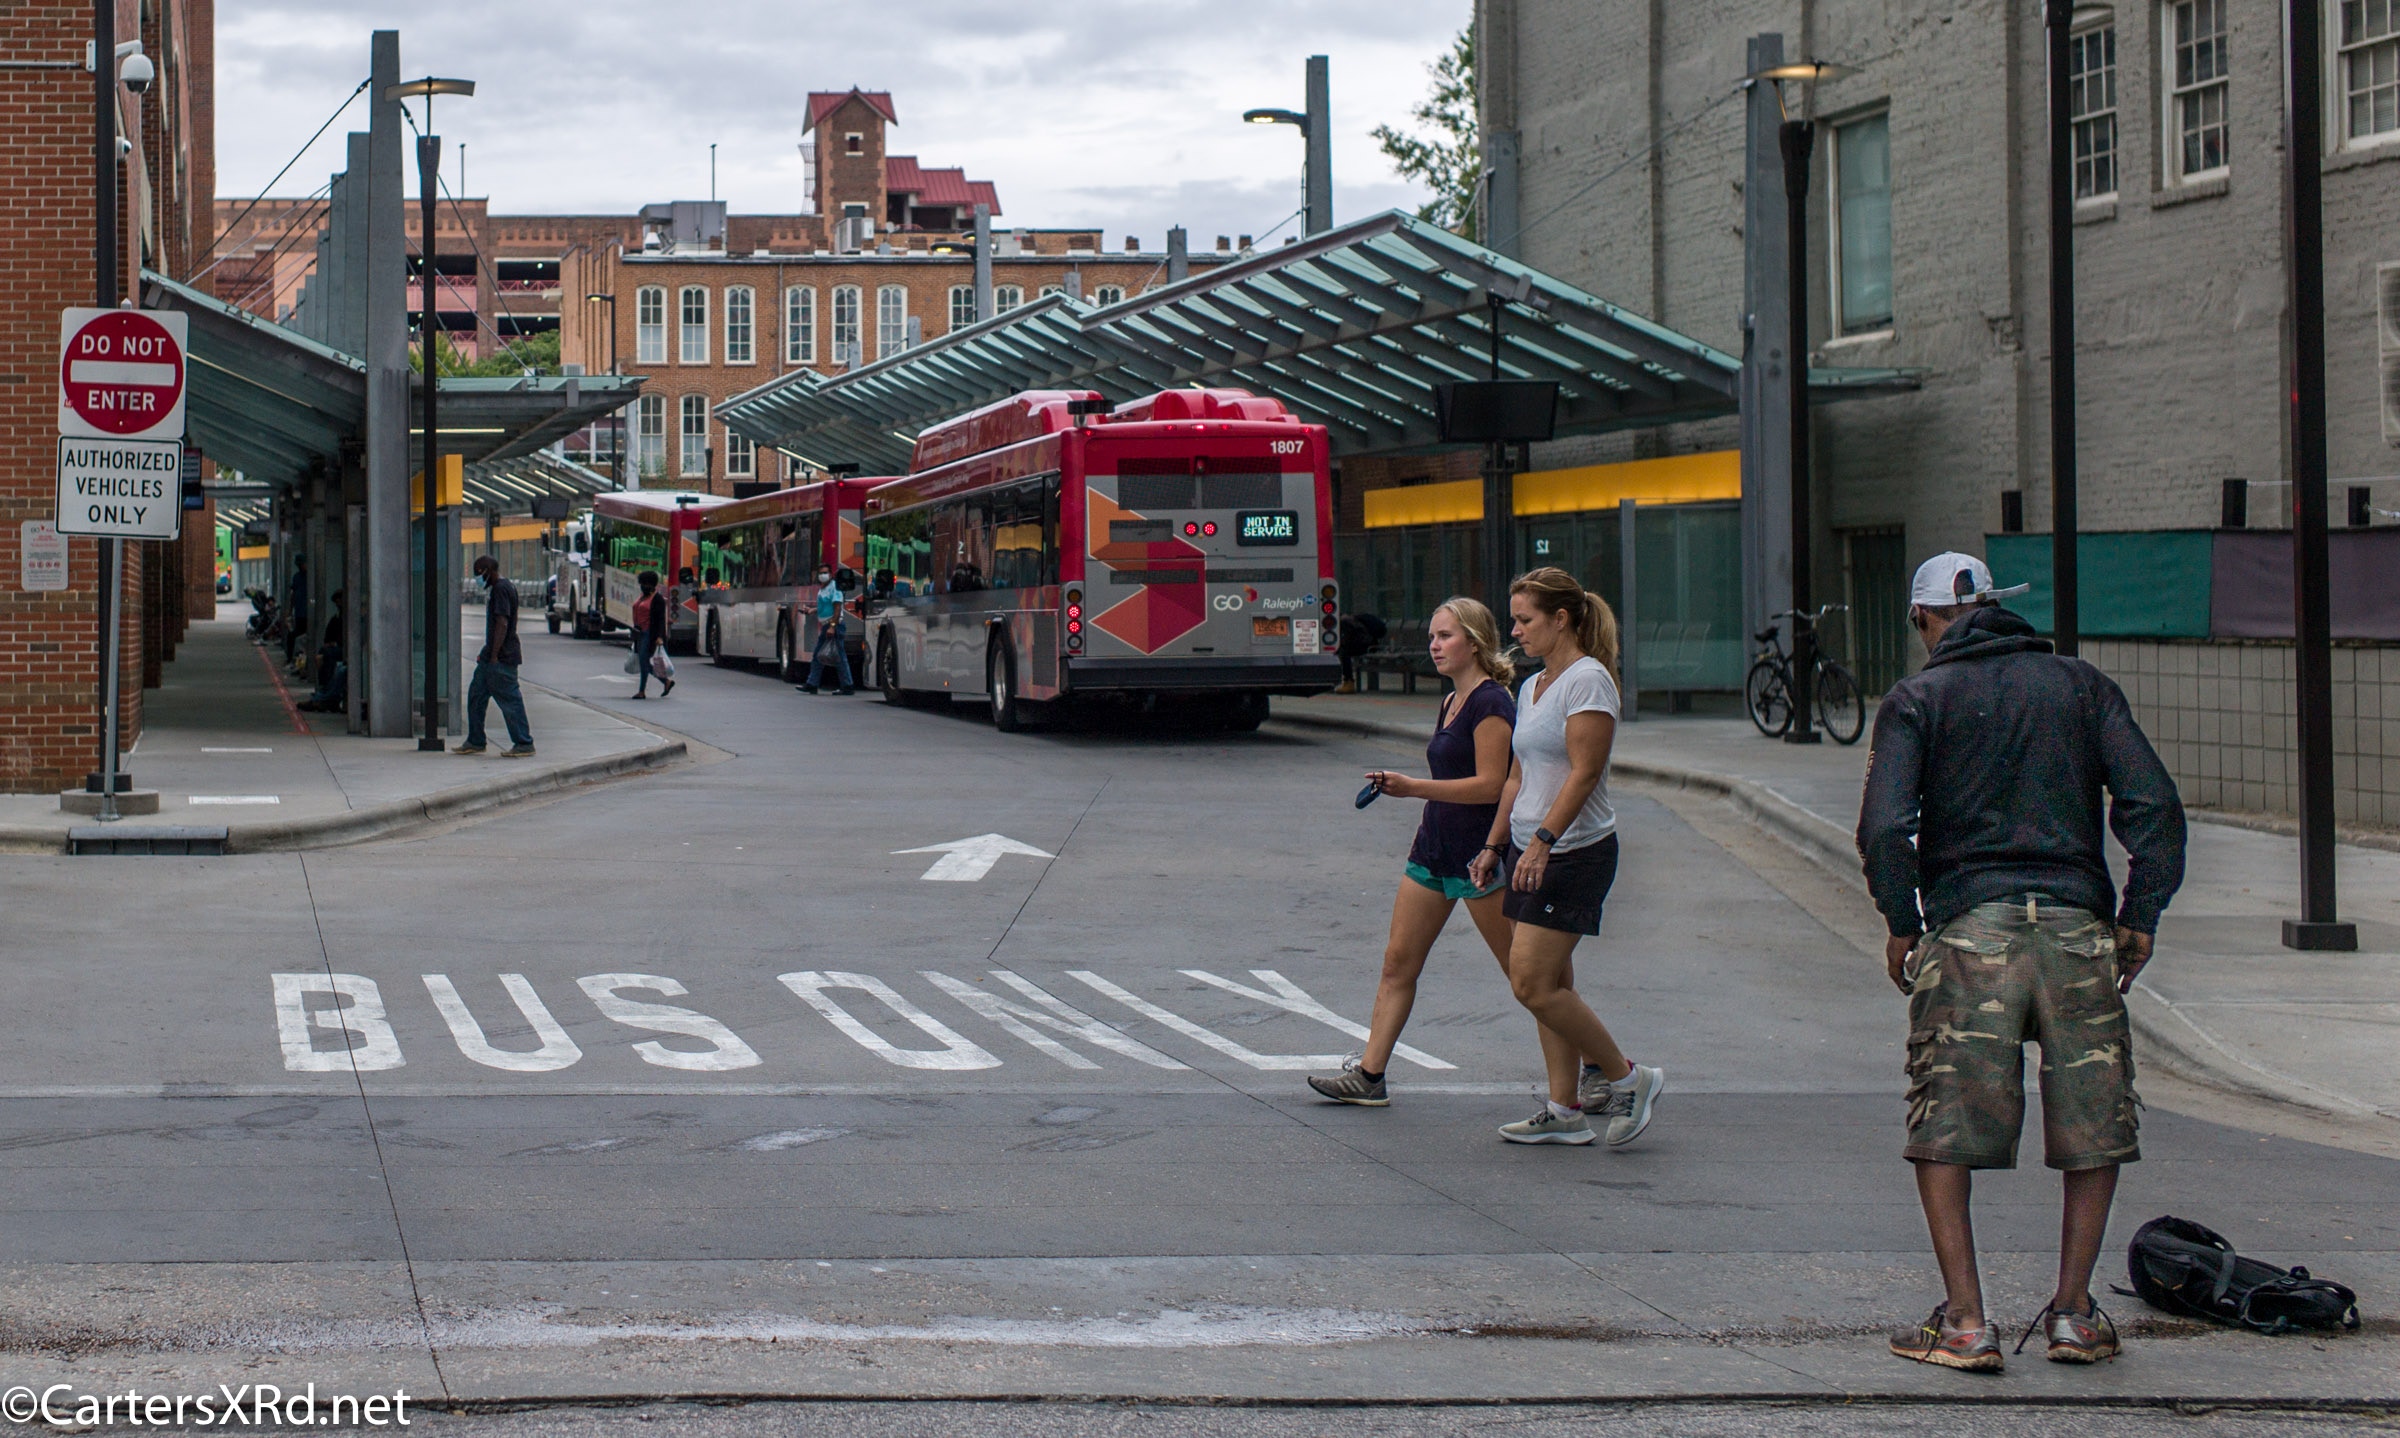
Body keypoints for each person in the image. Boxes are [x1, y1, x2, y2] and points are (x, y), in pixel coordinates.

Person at [1860, 552, 2185, 1373]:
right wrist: (2139, 915)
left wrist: (1903, 921)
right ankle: (2073, 1314)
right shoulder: (2081, 687)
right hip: (2077, 929)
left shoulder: (1918, 699)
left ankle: (1966, 1323)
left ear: (1924, 619)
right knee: (2093, 1120)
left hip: (1971, 928)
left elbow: (1885, 827)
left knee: (1944, 1122)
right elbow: (2153, 804)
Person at [1310, 598, 1567, 1106]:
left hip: (1480, 859)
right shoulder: (1451, 699)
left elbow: (1492, 784)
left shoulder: (1491, 703)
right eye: (1432, 636)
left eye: (1445, 636)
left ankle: (1598, 1070)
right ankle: (1369, 1075)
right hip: (1432, 851)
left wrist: (1413, 787)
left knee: (1531, 981)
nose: (1434, 645)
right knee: (1397, 964)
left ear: (1474, 641)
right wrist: (1416, 795)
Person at [1467, 567, 1663, 1147]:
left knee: (1530, 983)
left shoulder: (1588, 681)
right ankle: (1564, 1109)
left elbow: (1585, 773)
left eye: (1525, 620)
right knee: (1551, 984)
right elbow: (1517, 776)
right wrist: (1495, 844)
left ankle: (1629, 1078)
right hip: (1526, 849)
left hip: (1573, 852)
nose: (1515, 632)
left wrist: (1543, 841)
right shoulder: (1533, 686)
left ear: (1561, 619)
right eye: (1514, 620)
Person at [454, 557, 534, 756]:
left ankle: (523, 742)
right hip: (491, 657)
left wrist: (494, 655)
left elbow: (502, 623)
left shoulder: (500, 589)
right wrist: (487, 653)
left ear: (487, 570)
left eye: (478, 572)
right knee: (476, 696)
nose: (476, 577)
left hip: (501, 658)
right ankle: (475, 740)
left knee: (510, 700)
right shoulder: (503, 587)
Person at [799, 564, 854, 695]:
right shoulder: (823, 588)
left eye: (825, 573)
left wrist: (832, 627)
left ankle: (846, 685)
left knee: (837, 656)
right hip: (827, 626)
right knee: (821, 655)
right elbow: (826, 606)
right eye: (821, 573)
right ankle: (813, 683)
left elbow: (837, 608)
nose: (822, 575)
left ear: (830, 574)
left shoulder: (835, 587)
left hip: (834, 625)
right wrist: (812, 610)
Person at [297, 590, 347, 713]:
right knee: (326, 658)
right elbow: (327, 638)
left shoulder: (348, 618)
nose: (338, 604)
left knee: (335, 666)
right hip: (338, 650)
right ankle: (323, 695)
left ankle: (320, 698)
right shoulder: (336, 618)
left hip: (344, 651)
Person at [630, 570, 673, 699]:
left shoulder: (657, 599)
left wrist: (659, 637)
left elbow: (660, 620)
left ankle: (642, 691)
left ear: (652, 584)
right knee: (643, 662)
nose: (642, 586)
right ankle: (665, 682)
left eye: (645, 584)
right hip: (639, 633)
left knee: (644, 661)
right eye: (641, 583)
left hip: (649, 634)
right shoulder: (642, 596)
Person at [1334, 611, 1387, 694]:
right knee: (1343, 652)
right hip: (1370, 644)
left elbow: (1348, 638)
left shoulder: (1344, 622)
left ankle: (1349, 682)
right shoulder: (1350, 619)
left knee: (1344, 654)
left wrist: (1341, 646)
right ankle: (1347, 681)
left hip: (1365, 645)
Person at [282, 555, 309, 664]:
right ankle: (291, 658)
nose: (301, 566)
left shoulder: (310, 577)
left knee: (298, 637)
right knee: (293, 636)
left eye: (302, 564)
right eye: (299, 565)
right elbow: (293, 595)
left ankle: (297, 659)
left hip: (307, 613)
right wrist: (289, 611)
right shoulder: (297, 577)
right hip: (299, 613)